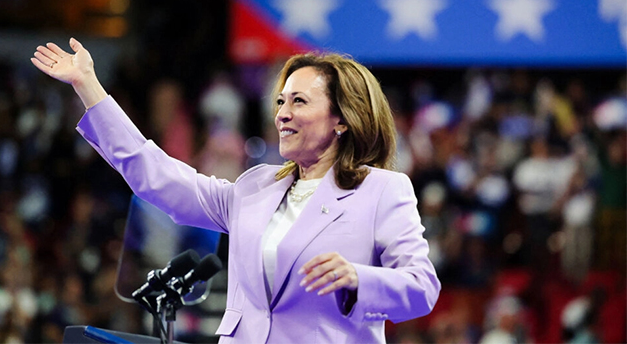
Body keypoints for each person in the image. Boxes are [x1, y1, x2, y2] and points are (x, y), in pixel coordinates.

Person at [31, 38, 440, 343]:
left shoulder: (382, 190)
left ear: (342, 119)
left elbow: (422, 288)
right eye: (280, 102)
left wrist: (357, 277)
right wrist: (88, 87)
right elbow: (154, 175)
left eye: (299, 101)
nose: (282, 114)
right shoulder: (254, 187)